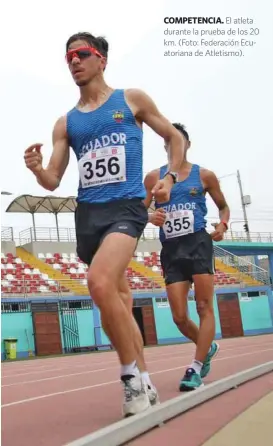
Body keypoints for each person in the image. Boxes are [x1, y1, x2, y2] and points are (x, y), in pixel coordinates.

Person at [24, 32, 186, 416]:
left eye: (81, 54)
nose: (74, 61)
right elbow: (53, 180)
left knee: (98, 284)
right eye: (68, 57)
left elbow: (174, 137)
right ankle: (146, 380)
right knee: (121, 299)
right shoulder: (66, 123)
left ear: (101, 59)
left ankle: (130, 378)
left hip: (126, 208)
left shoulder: (130, 100)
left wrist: (171, 178)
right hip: (89, 216)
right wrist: (36, 170)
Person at [144, 123, 230, 391]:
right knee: (179, 316)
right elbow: (137, 211)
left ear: (186, 145)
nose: (173, 146)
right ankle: (208, 346)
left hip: (198, 244)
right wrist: (150, 216)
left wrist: (222, 225)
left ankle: (195, 367)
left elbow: (224, 206)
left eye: (178, 141)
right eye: (169, 141)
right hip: (171, 249)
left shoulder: (204, 175)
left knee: (204, 307)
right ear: (165, 145)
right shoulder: (152, 178)